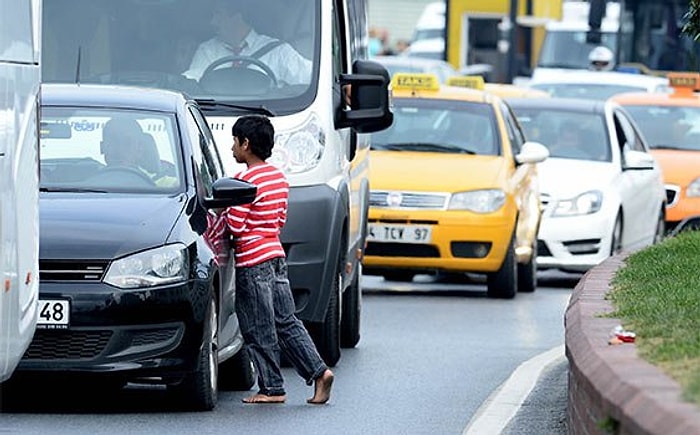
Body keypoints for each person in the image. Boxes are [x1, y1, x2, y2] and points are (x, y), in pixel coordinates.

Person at [220, 114, 334, 404]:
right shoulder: (278, 178)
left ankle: (271, 388)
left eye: (235, 141)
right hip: (275, 257)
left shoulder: (243, 181)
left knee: (258, 327)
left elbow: (235, 225)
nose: (232, 147)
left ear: (246, 144)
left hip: (252, 262)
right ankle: (319, 373)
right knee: (287, 321)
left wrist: (222, 213)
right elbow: (280, 219)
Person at [183, 0, 312, 86]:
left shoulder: (278, 51)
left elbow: (312, 78)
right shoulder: (207, 50)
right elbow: (191, 82)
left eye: (219, 15)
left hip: (266, 120)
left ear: (237, 18)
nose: (213, 22)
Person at [100, 117, 177, 188]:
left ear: (140, 149)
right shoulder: (89, 178)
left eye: (127, 142)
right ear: (102, 147)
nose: (119, 149)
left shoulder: (168, 186)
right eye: (113, 142)